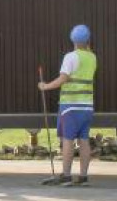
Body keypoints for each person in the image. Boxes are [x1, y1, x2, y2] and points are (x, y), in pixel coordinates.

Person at [38, 24, 96, 186]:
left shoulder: (71, 57)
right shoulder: (92, 58)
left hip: (70, 106)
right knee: (84, 140)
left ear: (72, 40)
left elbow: (63, 79)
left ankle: (66, 175)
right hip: (87, 107)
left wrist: (45, 86)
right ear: (88, 39)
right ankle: (83, 177)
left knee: (68, 140)